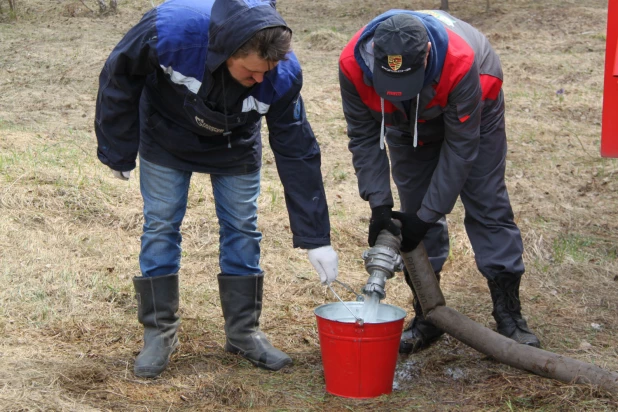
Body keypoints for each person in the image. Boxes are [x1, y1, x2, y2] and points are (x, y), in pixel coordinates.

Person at [95, 0, 339, 378]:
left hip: (235, 142)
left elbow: (297, 151)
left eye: (268, 72)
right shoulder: (169, 33)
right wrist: (117, 149)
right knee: (160, 224)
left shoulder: (281, 74)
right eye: (253, 71)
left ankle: (244, 332)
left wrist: (315, 237)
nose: (262, 79)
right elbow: (119, 75)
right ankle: (159, 333)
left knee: (242, 226)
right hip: (166, 134)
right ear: (227, 52)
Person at [338, 10, 540, 354]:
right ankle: (428, 314)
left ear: (427, 55)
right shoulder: (352, 65)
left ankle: (509, 314)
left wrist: (430, 213)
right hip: (404, 125)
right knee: (414, 208)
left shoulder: (462, 63)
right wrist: (380, 205)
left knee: (485, 200)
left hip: (477, 107)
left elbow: (461, 151)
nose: (398, 92)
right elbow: (363, 137)